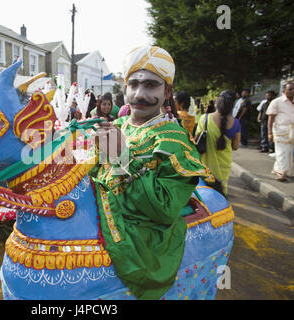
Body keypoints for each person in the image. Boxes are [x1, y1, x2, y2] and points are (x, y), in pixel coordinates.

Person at [89, 45, 213, 299]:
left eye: (151, 85)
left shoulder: (176, 141)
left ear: (167, 91)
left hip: (146, 231)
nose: (139, 94)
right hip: (100, 209)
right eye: (133, 84)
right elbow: (99, 171)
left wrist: (123, 158)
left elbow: (164, 209)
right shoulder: (119, 124)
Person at [195, 91, 241, 195]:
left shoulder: (204, 118)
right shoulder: (236, 123)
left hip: (205, 165)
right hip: (224, 164)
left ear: (217, 102)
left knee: (203, 193)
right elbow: (235, 146)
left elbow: (196, 140)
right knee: (219, 192)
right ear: (232, 105)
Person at [266, 80, 294, 181]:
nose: (293, 91)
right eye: (290, 89)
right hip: (280, 131)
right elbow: (270, 118)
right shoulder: (276, 102)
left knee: (289, 151)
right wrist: (269, 133)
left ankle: (284, 170)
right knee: (281, 151)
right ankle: (283, 172)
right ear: (284, 90)